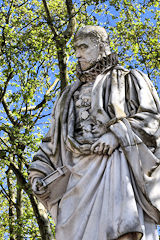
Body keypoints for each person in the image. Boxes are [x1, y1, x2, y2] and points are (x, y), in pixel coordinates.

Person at [29, 26, 160, 240]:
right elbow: (52, 142)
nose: (77, 54)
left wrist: (116, 135)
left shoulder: (129, 80)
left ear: (101, 48)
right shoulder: (67, 96)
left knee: (123, 228)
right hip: (76, 175)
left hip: (115, 166)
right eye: (75, 49)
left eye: (83, 47)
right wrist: (39, 173)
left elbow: (152, 119)